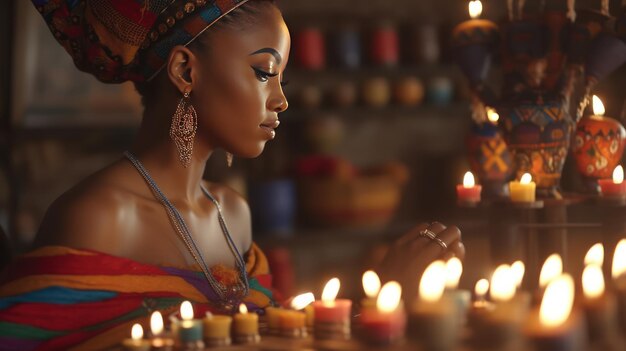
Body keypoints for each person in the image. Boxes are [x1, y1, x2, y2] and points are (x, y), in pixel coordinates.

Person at [0, 0, 465, 349]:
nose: (281, 99)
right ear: (185, 69)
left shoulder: (233, 213)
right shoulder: (98, 218)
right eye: (265, 72)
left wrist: (378, 300)